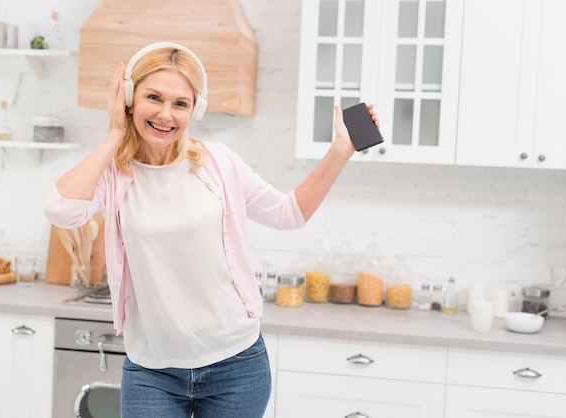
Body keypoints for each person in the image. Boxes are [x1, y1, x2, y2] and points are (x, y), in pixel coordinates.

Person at [44, 42, 378, 417]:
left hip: (236, 367)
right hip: (152, 370)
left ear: (195, 109)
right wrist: (112, 136)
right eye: (153, 97)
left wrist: (340, 150)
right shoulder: (113, 174)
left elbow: (290, 213)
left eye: (180, 103)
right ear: (128, 99)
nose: (165, 114)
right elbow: (61, 211)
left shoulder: (217, 163)